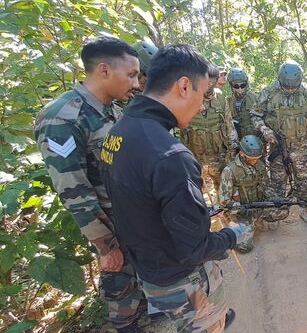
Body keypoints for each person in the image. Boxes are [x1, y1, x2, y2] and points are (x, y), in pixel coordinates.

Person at [99, 44, 245, 333]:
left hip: (151, 270)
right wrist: (232, 235)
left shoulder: (118, 133)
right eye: (203, 95)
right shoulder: (170, 156)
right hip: (182, 279)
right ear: (183, 86)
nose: (203, 105)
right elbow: (194, 250)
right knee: (204, 326)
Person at [34, 37, 142, 333]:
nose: (135, 83)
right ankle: (125, 325)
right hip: (109, 222)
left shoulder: (112, 109)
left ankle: (138, 313)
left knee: (136, 274)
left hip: (130, 213)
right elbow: (72, 188)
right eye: (131, 74)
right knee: (119, 279)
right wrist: (104, 243)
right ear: (104, 70)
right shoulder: (63, 118)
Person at [250, 60, 307, 224]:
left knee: (304, 179)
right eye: (287, 87)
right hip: (278, 146)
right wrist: (265, 130)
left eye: (294, 87)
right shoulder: (269, 92)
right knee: (277, 180)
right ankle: (277, 210)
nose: (291, 90)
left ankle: (304, 207)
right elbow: (255, 115)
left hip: (302, 146)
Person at [219, 135, 289, 253]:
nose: (255, 161)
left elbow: (266, 186)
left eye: (257, 158)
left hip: (259, 205)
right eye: (252, 158)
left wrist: (275, 200)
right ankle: (236, 225)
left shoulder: (259, 165)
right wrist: (242, 210)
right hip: (242, 212)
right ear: (241, 154)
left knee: (284, 211)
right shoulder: (229, 171)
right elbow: (224, 202)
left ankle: (259, 219)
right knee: (244, 247)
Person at [183, 64, 238, 204]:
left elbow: (229, 124)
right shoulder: (188, 98)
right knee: (195, 193)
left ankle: (227, 219)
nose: (210, 86)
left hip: (218, 155)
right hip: (195, 157)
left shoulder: (220, 98)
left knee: (223, 192)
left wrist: (233, 148)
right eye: (207, 82)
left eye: (213, 82)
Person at [226, 67, 258, 137]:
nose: (240, 89)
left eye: (243, 86)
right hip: (236, 141)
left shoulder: (256, 99)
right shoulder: (227, 102)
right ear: (231, 86)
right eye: (236, 86)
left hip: (255, 141)